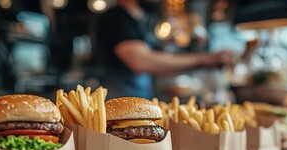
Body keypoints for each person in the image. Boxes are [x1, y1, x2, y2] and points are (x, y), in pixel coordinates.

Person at [96, 0, 237, 99]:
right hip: (118, 104)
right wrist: (204, 58)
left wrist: (204, 63)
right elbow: (141, 61)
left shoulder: (142, 21)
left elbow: (159, 63)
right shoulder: (116, 18)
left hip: (141, 102)